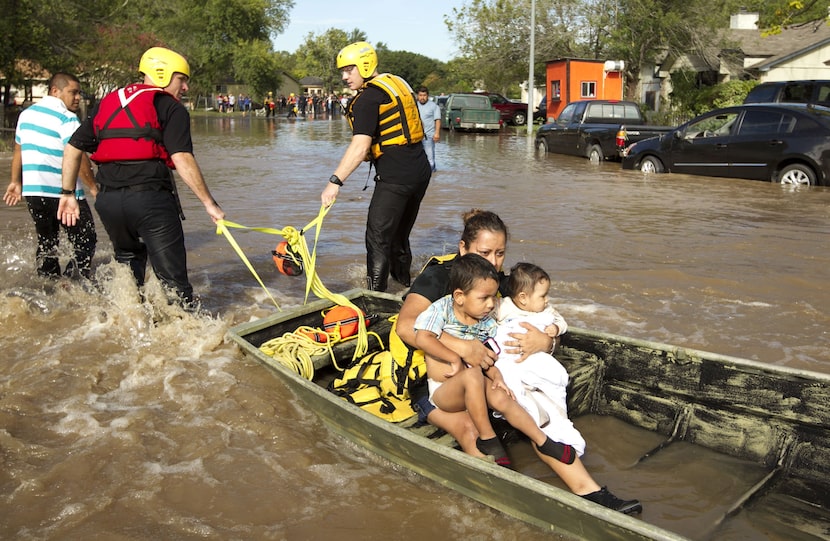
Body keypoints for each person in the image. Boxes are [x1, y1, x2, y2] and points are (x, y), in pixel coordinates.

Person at [395, 209, 642, 514]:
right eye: (484, 252)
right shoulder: (439, 278)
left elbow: (539, 313)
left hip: (487, 373)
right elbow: (407, 327)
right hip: (440, 380)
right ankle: (506, 498)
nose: (493, 262)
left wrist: (547, 341)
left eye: (500, 253)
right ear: (463, 249)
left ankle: (591, 493)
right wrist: (463, 348)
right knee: (470, 429)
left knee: (534, 409)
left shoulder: (498, 282)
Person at [57, 46, 225, 307]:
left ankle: (128, 328)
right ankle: (183, 338)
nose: (185, 88)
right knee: (175, 286)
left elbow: (73, 146)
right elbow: (181, 158)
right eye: (182, 80)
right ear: (163, 74)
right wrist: (209, 204)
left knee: (128, 272)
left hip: (109, 202)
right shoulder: (171, 108)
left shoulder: (107, 103)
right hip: (150, 202)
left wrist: (67, 194)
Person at [414, 253, 580, 468]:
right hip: (444, 392)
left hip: (474, 384)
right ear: (459, 296)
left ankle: (544, 441)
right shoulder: (441, 309)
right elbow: (422, 337)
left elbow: (488, 359)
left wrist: (498, 377)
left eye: (494, 297)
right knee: (473, 374)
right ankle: (488, 438)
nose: (491, 304)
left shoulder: (486, 324)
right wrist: (453, 358)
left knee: (502, 397)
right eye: (484, 298)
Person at [321, 41, 431, 291]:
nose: (344, 76)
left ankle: (375, 299)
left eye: (349, 70)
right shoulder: (398, 82)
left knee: (377, 239)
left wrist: (334, 182)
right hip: (420, 171)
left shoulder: (367, 98)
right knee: (398, 237)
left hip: (396, 177)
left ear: (365, 65)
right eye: (342, 71)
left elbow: (359, 148)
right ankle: (404, 287)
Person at [4, 72, 98, 279]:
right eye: (73, 92)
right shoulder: (66, 117)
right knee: (86, 240)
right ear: (55, 91)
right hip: (64, 193)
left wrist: (15, 182)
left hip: (34, 192)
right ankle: (74, 284)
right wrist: (93, 188)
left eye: (79, 93)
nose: (77, 98)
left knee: (47, 242)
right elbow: (78, 155)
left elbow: (18, 150)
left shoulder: (26, 115)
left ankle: (49, 284)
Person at [494, 262, 586, 457]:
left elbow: (561, 321)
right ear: (523, 298)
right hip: (513, 356)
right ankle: (528, 404)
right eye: (543, 296)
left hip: (535, 356)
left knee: (554, 379)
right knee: (508, 372)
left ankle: (557, 418)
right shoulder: (504, 307)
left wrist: (554, 330)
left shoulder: (547, 311)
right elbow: (489, 322)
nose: (547, 300)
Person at [416, 86, 441, 172]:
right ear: (417, 96)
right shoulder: (414, 106)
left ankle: (432, 175)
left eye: (424, 95)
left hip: (428, 136)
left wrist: (437, 133)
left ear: (427, 96)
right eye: (420, 95)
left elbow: (437, 120)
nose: (422, 97)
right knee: (416, 158)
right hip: (416, 137)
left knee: (430, 158)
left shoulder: (434, 106)